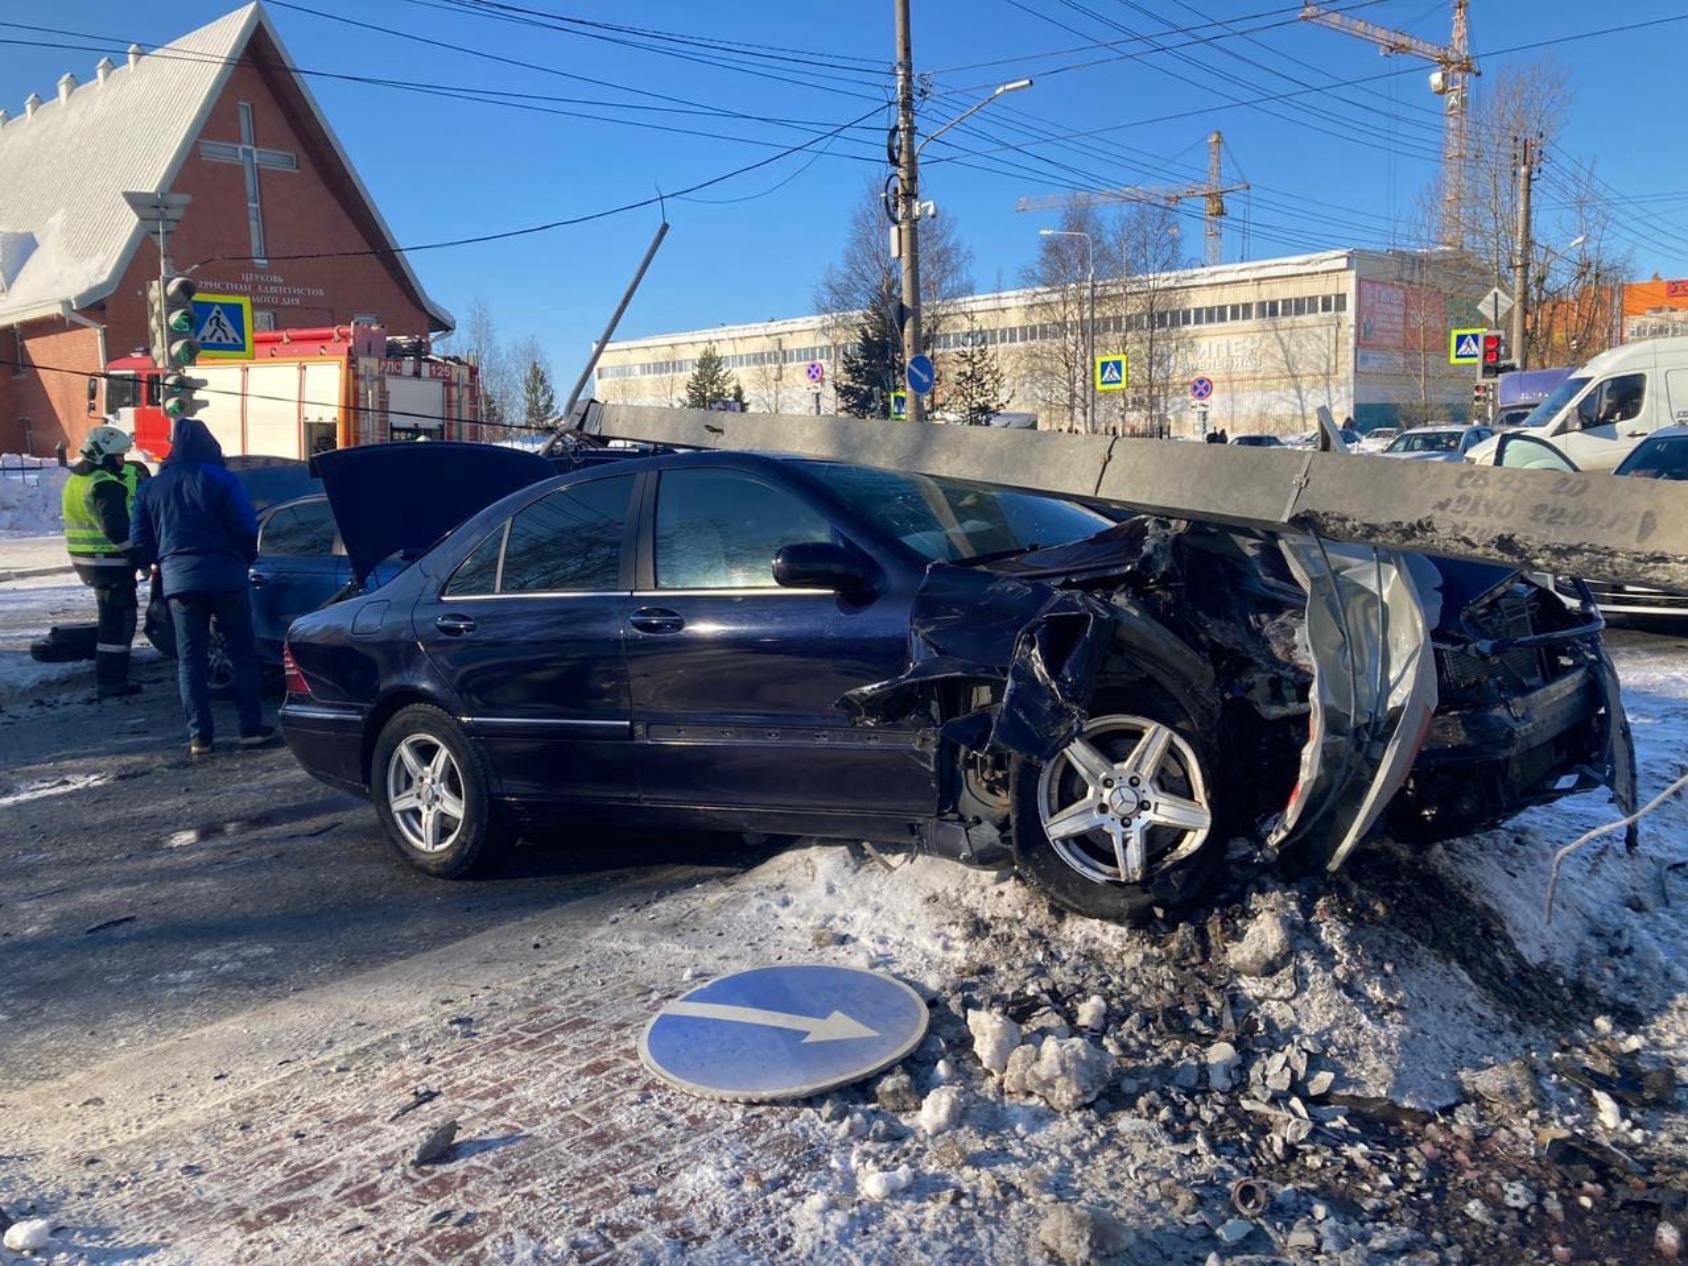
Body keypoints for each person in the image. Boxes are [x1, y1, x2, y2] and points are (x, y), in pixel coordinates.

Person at [130, 417, 274, 756]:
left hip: (179, 583)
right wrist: (245, 558)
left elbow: (140, 538)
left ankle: (200, 737)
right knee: (242, 654)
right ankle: (250, 728)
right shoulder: (223, 480)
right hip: (226, 577)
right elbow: (245, 525)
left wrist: (160, 562)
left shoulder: (152, 486)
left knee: (190, 660)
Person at [62, 424, 146, 699]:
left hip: (88, 561)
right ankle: (112, 681)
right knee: (120, 622)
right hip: (109, 563)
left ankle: (110, 677)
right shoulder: (105, 484)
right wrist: (139, 557)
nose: (122, 461)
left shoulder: (78, 479)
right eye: (118, 456)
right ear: (102, 454)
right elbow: (117, 530)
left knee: (110, 619)